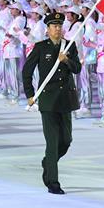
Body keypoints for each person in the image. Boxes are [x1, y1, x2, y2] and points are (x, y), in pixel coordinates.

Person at [21, 12, 82, 195]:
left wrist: (67, 60)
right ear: (47, 29)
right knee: (52, 142)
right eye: (54, 26)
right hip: (48, 100)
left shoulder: (69, 46)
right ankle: (53, 182)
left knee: (66, 140)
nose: (57, 29)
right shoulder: (40, 48)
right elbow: (26, 71)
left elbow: (78, 69)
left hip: (66, 100)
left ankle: (48, 161)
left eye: (59, 26)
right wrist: (30, 94)